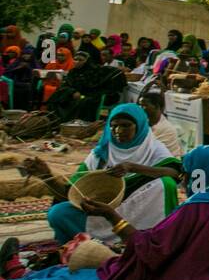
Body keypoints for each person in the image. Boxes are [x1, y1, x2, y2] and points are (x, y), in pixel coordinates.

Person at [8, 146, 209, 280]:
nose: (185, 178)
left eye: (190, 173)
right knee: (76, 271)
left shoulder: (195, 210)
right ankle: (17, 275)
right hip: (202, 277)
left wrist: (112, 215)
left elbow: (149, 251)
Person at [26, 103, 182, 244]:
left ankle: (149, 240)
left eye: (126, 126)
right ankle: (98, 246)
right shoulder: (101, 154)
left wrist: (132, 167)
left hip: (142, 212)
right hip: (103, 215)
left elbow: (174, 173)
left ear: (139, 126)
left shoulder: (153, 148)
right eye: (113, 126)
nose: (118, 131)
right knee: (58, 213)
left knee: (165, 184)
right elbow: (71, 191)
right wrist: (46, 176)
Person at [46, 49, 126, 122]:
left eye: (80, 60)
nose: (77, 61)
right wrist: (72, 92)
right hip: (74, 94)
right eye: (75, 59)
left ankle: (75, 124)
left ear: (87, 61)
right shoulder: (73, 72)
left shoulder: (94, 71)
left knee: (83, 102)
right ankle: (55, 122)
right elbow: (66, 85)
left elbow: (113, 74)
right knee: (56, 97)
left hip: (88, 95)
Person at [139, 91, 184, 157]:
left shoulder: (166, 129)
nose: (140, 108)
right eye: (140, 105)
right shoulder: (145, 122)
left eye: (144, 105)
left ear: (156, 106)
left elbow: (151, 153)